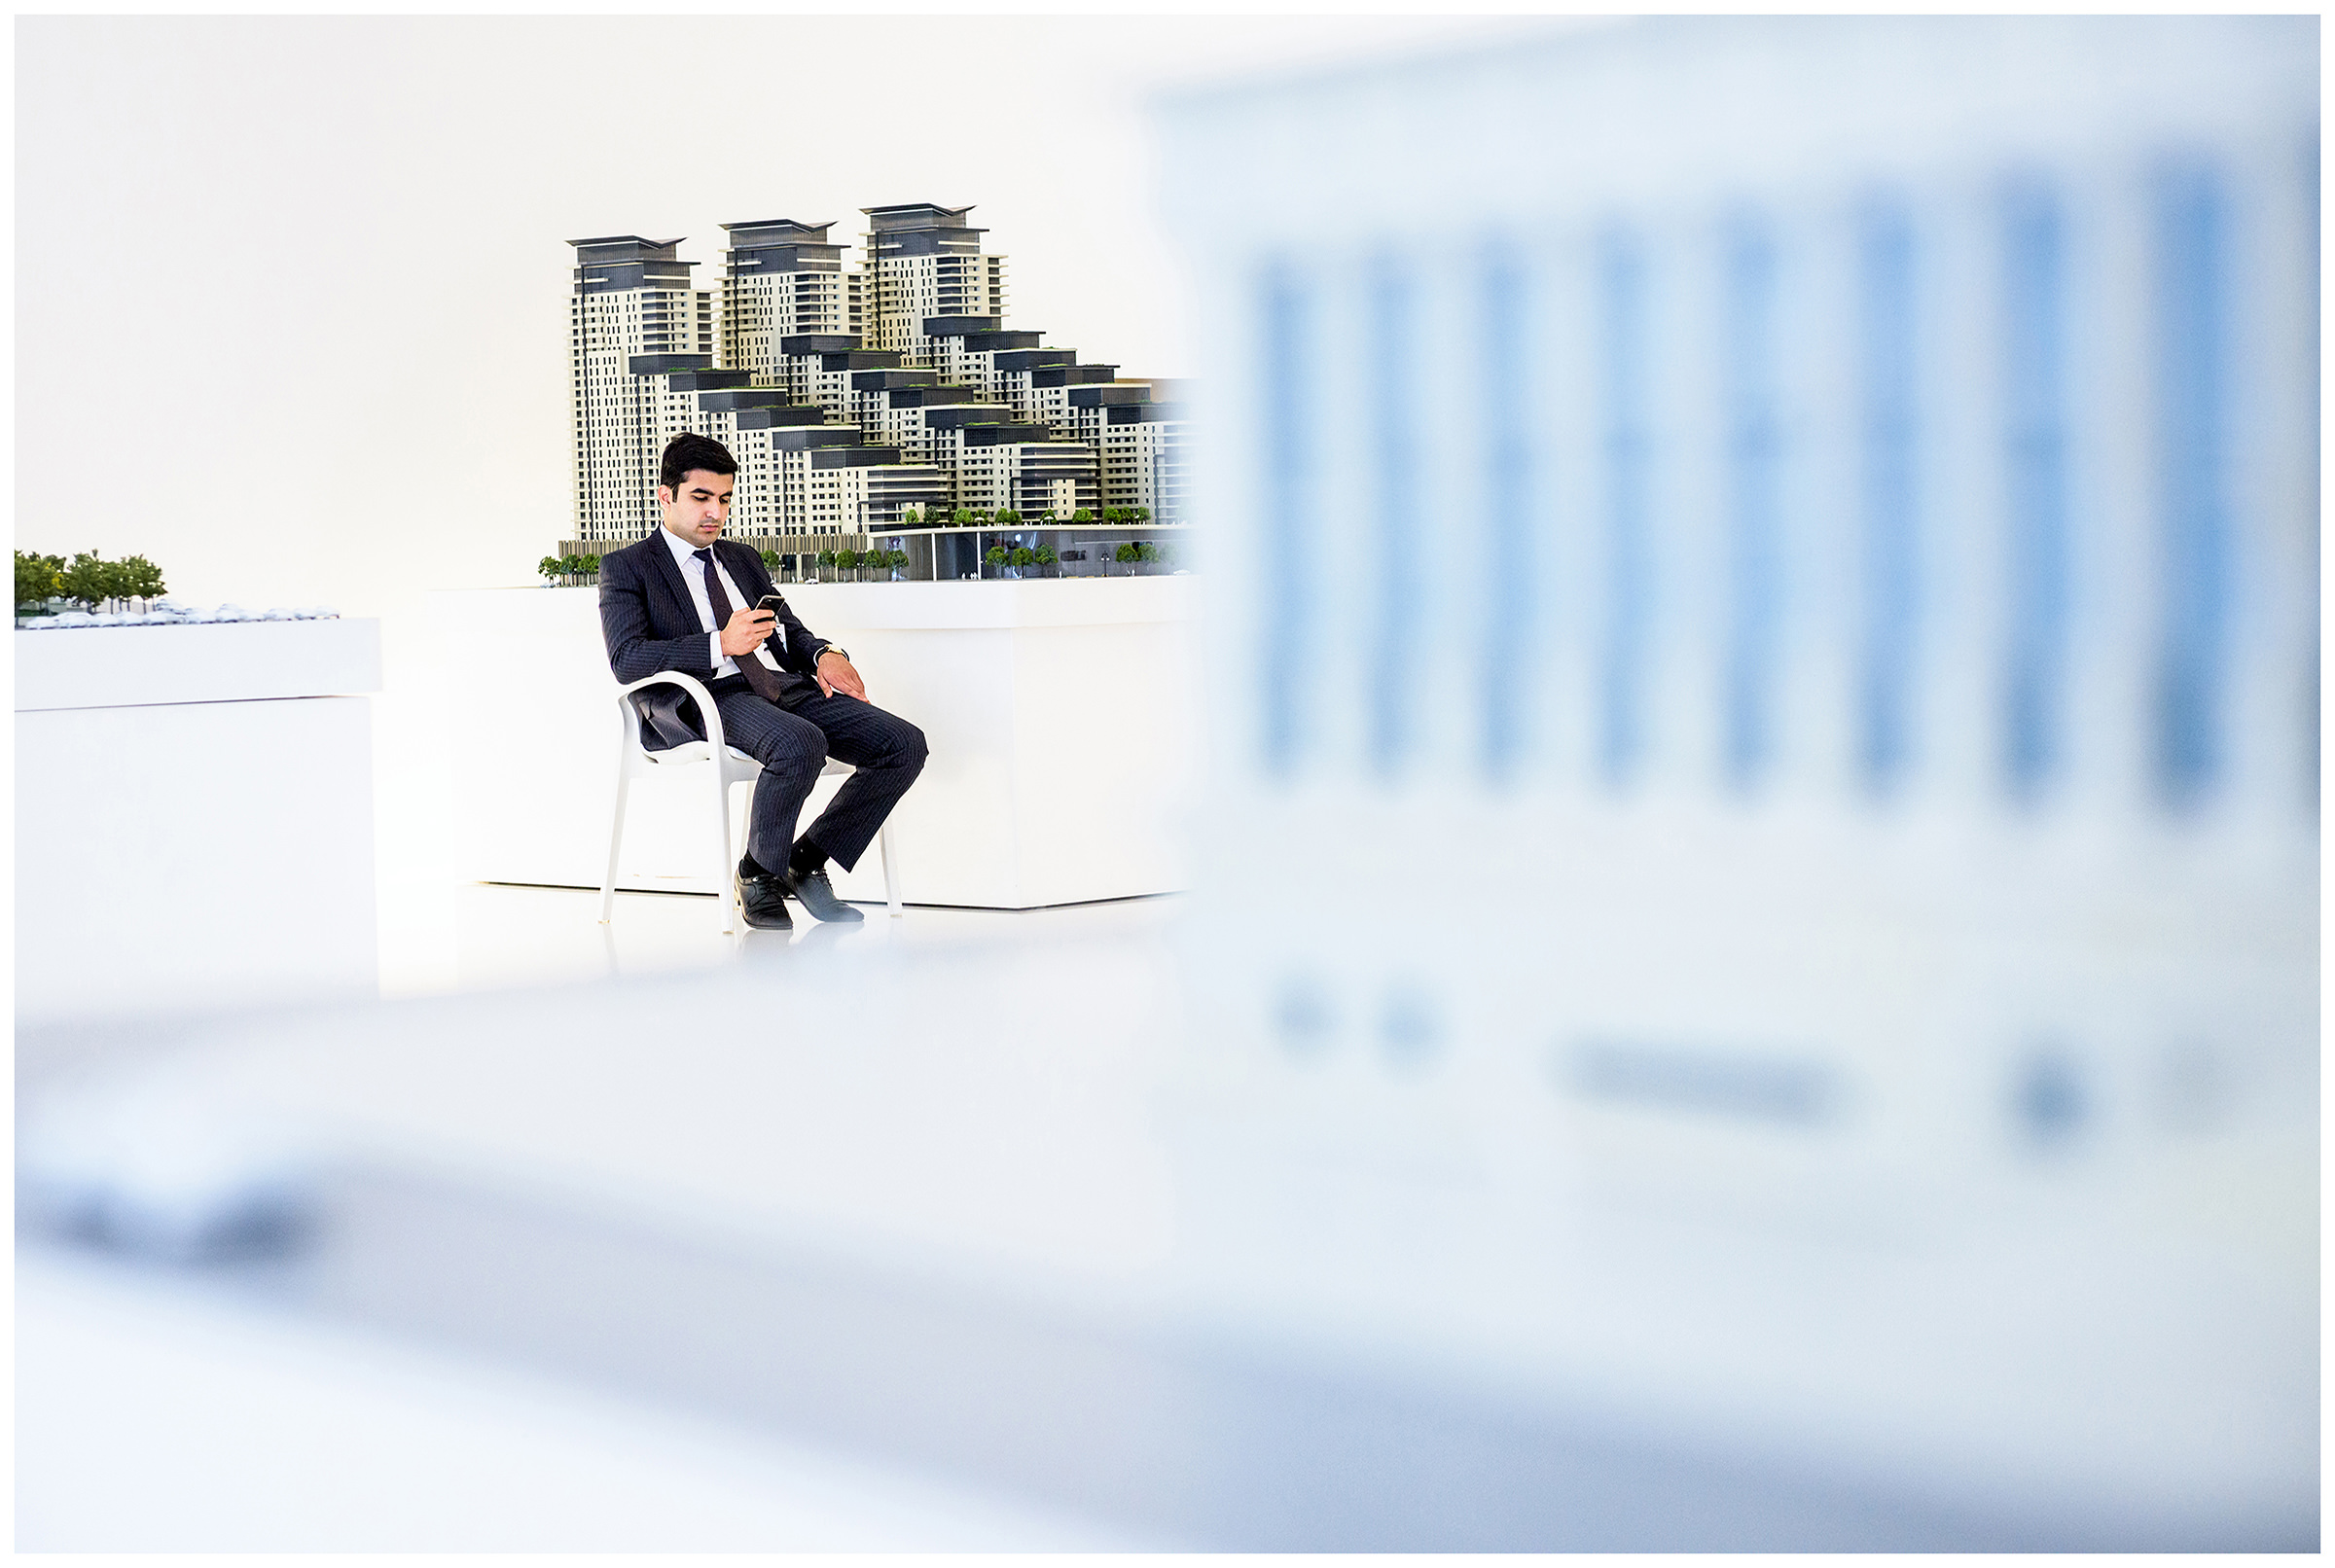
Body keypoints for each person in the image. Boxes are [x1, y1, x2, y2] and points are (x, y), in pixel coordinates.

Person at [598, 432, 927, 931]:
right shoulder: (627, 567)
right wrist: (718, 644)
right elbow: (627, 659)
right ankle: (758, 878)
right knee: (799, 742)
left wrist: (823, 653)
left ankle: (803, 860)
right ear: (666, 496)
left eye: (724, 499)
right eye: (701, 498)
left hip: (773, 687)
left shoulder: (741, 558)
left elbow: (785, 626)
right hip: (700, 697)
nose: (715, 512)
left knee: (902, 743)